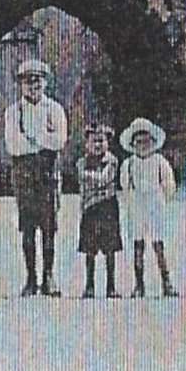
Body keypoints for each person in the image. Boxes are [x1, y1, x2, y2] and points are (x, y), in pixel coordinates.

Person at [2, 58, 68, 297]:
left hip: (48, 174)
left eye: (37, 81)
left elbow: (59, 141)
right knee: (28, 227)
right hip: (24, 174)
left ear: (45, 83)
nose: (33, 86)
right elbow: (13, 145)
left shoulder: (55, 109)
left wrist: (33, 137)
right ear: (20, 85)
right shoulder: (12, 112)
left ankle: (48, 276)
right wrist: (42, 140)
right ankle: (31, 277)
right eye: (28, 82)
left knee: (49, 227)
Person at [118, 116, 177, 299]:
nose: (143, 145)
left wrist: (162, 199)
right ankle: (139, 284)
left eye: (146, 141)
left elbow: (169, 183)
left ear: (152, 141)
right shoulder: (128, 164)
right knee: (138, 245)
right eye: (138, 142)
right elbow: (125, 186)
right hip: (137, 206)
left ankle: (166, 283)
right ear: (132, 144)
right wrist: (131, 203)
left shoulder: (159, 161)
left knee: (158, 244)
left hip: (155, 205)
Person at [75, 123, 123, 299]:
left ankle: (111, 286)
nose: (98, 145)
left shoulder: (112, 161)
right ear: (87, 143)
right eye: (94, 141)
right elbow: (84, 177)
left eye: (101, 141)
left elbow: (104, 179)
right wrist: (92, 179)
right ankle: (89, 286)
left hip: (108, 208)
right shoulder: (81, 162)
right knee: (90, 250)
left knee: (110, 250)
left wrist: (91, 178)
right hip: (89, 210)